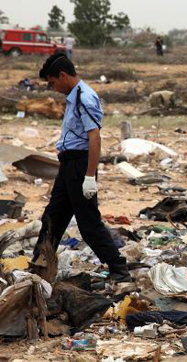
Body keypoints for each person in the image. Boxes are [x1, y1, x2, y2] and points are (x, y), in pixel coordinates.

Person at [32, 53, 131, 282]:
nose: (53, 87)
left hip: (80, 165)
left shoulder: (85, 97)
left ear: (63, 75)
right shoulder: (73, 97)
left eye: (53, 82)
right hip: (68, 165)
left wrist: (89, 176)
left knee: (88, 223)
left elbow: (94, 137)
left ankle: (118, 268)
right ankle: (39, 263)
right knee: (53, 217)